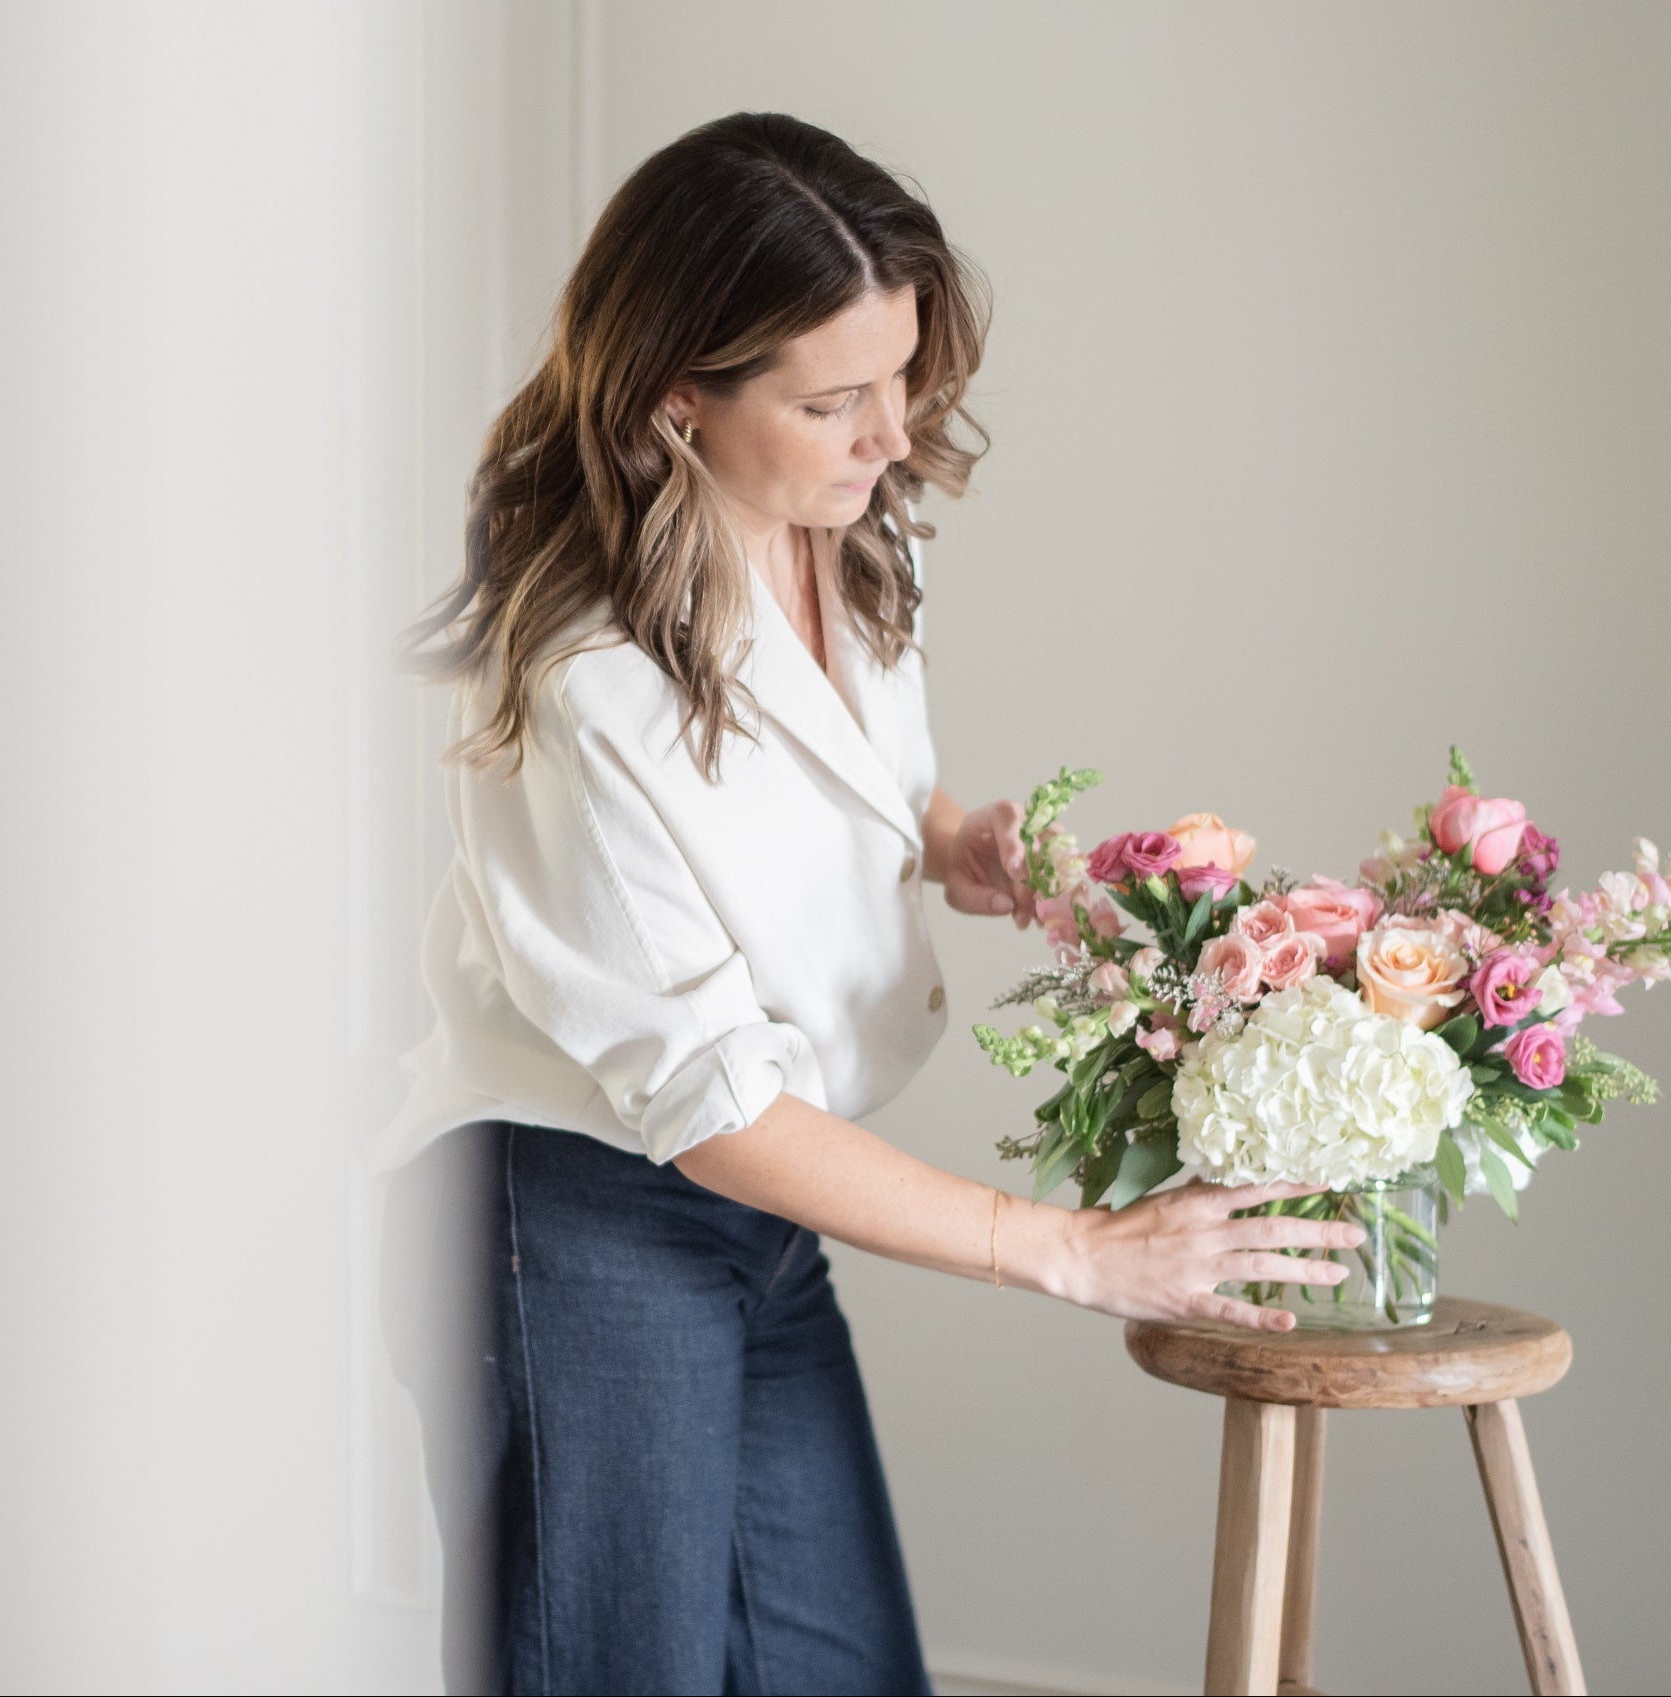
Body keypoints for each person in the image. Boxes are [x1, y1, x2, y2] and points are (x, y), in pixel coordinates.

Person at [372, 110, 1362, 1697]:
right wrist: (1070, 1250)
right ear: (672, 401)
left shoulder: (856, 524)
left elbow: (852, 785)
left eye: (900, 376)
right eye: (834, 400)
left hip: (764, 1219)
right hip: (579, 1215)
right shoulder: (581, 683)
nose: (892, 434)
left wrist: (958, 839)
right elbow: (706, 1101)